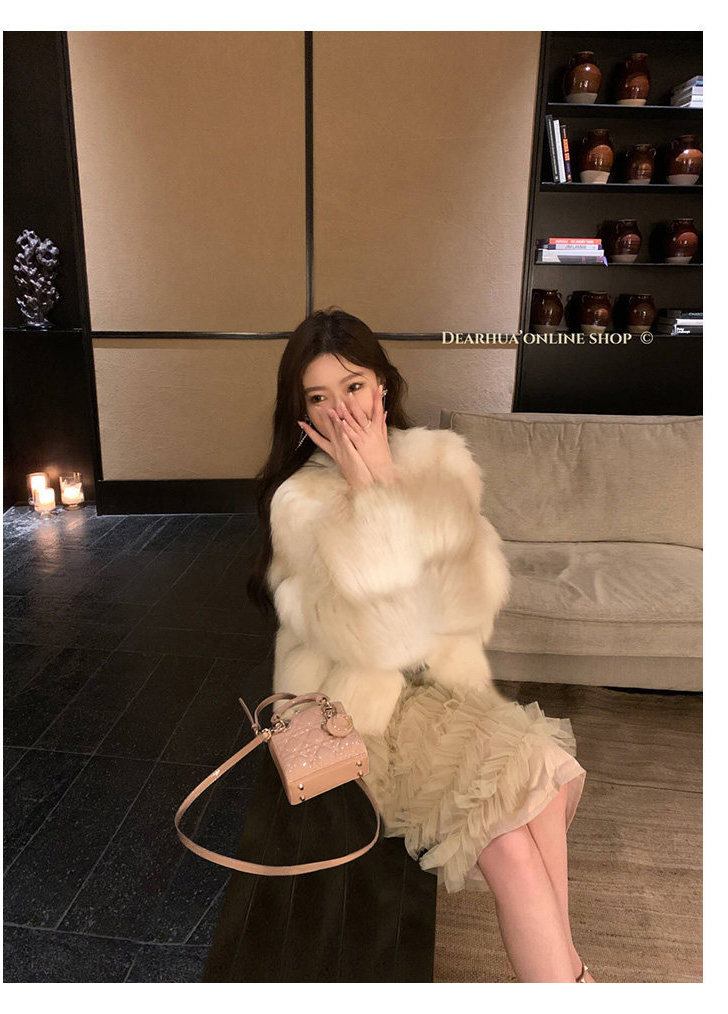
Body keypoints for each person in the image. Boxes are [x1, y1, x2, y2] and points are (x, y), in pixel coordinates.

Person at [247, 308, 595, 983]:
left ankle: (569, 979)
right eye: (318, 398)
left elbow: (471, 602)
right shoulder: (301, 501)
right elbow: (387, 637)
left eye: (353, 386)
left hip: (443, 685)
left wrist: (390, 479)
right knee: (510, 841)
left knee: (548, 781)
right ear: (301, 413)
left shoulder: (438, 459)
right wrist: (370, 497)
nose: (341, 412)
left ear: (382, 384)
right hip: (361, 707)